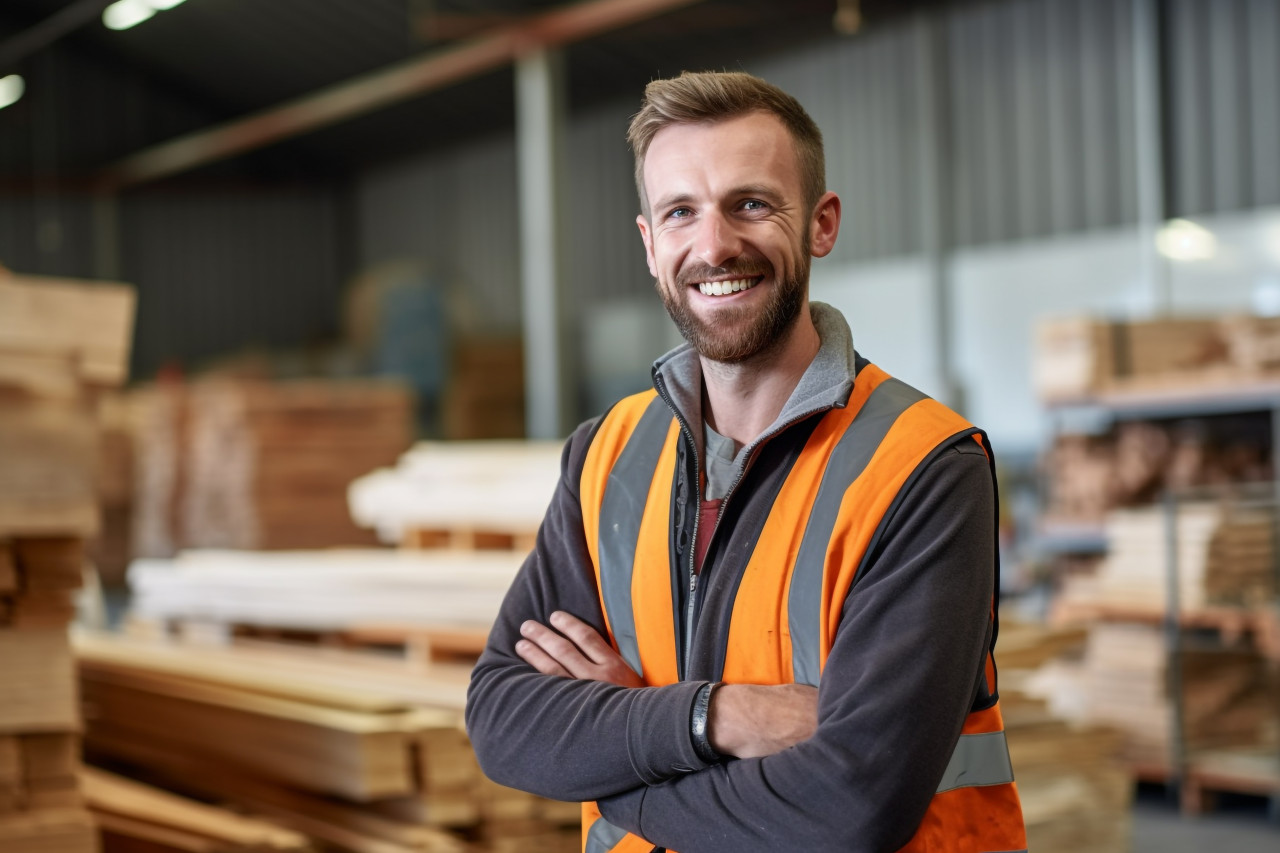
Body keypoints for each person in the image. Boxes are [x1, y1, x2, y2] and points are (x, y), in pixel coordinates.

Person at [465, 70, 1026, 853]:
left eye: (751, 204)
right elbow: (503, 720)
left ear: (821, 224)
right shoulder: (608, 454)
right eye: (680, 213)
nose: (714, 244)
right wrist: (713, 717)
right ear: (650, 243)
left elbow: (851, 804)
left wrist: (615, 758)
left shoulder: (921, 467)